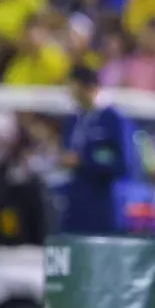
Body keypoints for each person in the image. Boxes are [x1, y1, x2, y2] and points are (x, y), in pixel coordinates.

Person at [59, 66, 139, 235]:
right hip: (77, 202)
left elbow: (124, 163)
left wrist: (84, 162)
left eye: (74, 88)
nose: (70, 93)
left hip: (104, 202)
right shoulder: (74, 119)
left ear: (87, 87)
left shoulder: (113, 119)